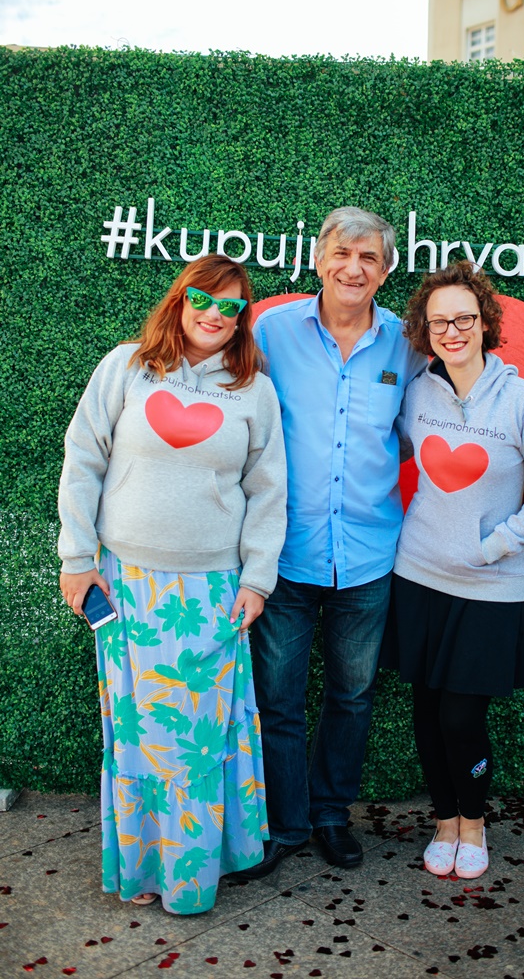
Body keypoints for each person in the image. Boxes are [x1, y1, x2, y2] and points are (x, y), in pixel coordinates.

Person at [57, 254, 286, 914]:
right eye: (202, 299)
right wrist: (76, 557)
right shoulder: (125, 367)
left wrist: (257, 579)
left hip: (213, 592)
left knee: (197, 741)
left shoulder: (254, 391)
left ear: (241, 319)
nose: (214, 314)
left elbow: (268, 491)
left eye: (230, 306)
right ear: (180, 299)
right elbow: (83, 460)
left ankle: (194, 875)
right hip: (125, 586)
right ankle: (142, 869)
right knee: (137, 736)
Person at [239, 207, 426, 877]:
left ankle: (328, 815)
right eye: (342, 254)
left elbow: (420, 432)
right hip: (285, 554)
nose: (354, 268)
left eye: (369, 257)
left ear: (386, 270)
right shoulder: (271, 332)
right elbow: (237, 416)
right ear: (318, 259)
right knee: (278, 698)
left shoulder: (406, 345)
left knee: (352, 696)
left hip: (369, 556)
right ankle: (284, 824)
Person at [381, 261, 524, 880]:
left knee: (461, 717)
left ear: (485, 322)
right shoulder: (416, 393)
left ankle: (473, 822)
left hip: (491, 587)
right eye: (439, 322)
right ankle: (443, 822)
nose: (452, 331)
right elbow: (386, 452)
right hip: (418, 578)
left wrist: (494, 545)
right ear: (426, 331)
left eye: (463, 318)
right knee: (426, 712)